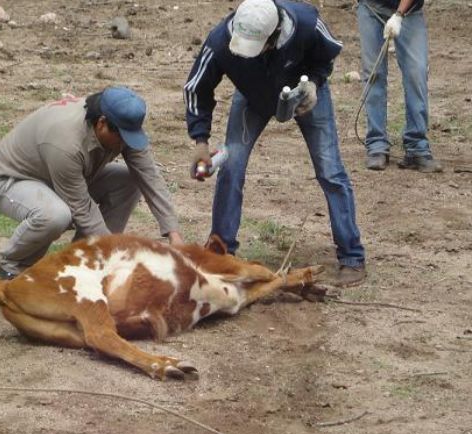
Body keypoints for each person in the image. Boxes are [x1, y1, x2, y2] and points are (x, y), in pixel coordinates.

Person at [183, 0, 366, 287]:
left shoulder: (306, 24)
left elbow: (327, 55)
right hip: (252, 97)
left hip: (303, 93)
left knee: (330, 171)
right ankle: (221, 253)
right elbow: (197, 86)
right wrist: (200, 140)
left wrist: (315, 85)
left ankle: (352, 256)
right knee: (231, 168)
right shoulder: (221, 39)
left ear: (275, 33)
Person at [0, 86, 184, 279]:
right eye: (121, 137)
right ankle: (12, 265)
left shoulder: (121, 123)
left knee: (129, 181)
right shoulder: (66, 143)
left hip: (63, 177)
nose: (125, 144)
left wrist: (173, 233)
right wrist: (115, 251)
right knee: (55, 215)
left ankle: (84, 261)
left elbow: (149, 176)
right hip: (13, 180)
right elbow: (81, 207)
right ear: (101, 123)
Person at [358, 0, 440, 172]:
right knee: (373, 74)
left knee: (416, 73)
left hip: (410, 11)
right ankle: (376, 145)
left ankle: (417, 147)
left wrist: (399, 14)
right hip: (371, 8)